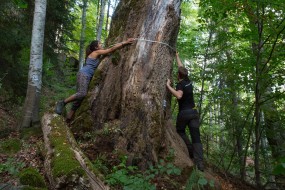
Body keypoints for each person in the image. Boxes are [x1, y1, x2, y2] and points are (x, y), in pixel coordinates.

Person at [55, 38, 135, 122]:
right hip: (84, 74)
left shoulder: (96, 54)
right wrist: (125, 42)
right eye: (100, 44)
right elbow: (111, 49)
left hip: (86, 75)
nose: (102, 44)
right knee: (82, 94)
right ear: (96, 47)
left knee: (80, 97)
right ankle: (62, 102)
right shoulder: (96, 52)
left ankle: (69, 118)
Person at [166, 52, 204, 171]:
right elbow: (181, 67)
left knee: (180, 131)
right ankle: (200, 163)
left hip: (184, 114)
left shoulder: (180, 84)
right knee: (196, 137)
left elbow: (178, 96)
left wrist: (168, 86)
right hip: (193, 113)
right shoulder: (188, 80)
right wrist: (177, 56)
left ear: (179, 75)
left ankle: (190, 150)